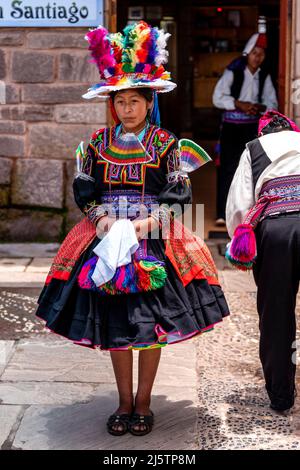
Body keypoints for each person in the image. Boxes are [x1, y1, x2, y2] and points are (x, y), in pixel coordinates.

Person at [35, 21, 229, 436]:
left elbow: (178, 194)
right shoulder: (96, 144)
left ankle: (144, 402)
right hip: (103, 236)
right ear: (113, 105)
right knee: (117, 324)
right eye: (120, 101)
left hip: (154, 239)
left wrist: (145, 224)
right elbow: (84, 190)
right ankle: (123, 402)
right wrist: (102, 220)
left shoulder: (166, 145)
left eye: (134, 101)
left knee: (150, 325)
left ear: (148, 102)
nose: (126, 108)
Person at [226, 110, 300, 412]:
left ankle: (281, 396)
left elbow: (239, 206)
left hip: (277, 231)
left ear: (263, 133)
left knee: (276, 314)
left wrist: (240, 239)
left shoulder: (254, 149)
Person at [212, 25, 278, 226]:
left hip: (252, 127)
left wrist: (257, 108)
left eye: (261, 54)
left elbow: (272, 103)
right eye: (254, 53)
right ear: (247, 53)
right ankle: (223, 213)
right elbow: (217, 97)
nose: (258, 58)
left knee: (250, 168)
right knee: (227, 167)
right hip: (232, 128)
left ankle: (248, 213)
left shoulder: (264, 76)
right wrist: (238, 104)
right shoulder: (233, 72)